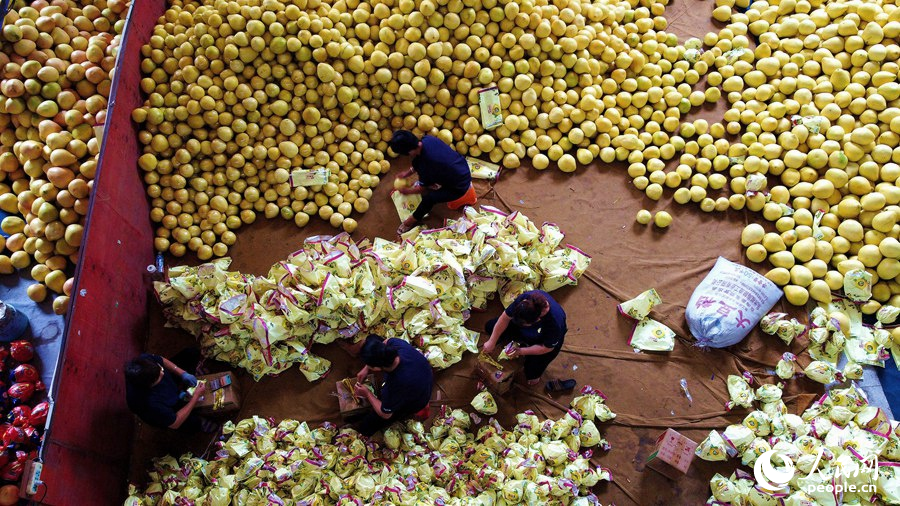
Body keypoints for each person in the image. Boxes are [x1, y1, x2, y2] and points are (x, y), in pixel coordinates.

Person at [389, 130, 473, 234]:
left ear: (408, 152)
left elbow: (421, 188)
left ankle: (410, 221)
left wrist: (407, 191)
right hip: (462, 167)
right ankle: (435, 183)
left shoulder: (426, 165)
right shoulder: (428, 139)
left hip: (459, 186)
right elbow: (418, 162)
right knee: (428, 178)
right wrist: (407, 174)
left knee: (429, 198)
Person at [351, 334, 433, 436]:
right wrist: (366, 368)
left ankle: (363, 433)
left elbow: (386, 414)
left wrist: (367, 393)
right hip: (423, 375)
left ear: (376, 368)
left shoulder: (392, 386)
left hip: (418, 399)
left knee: (369, 423)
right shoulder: (396, 343)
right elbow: (386, 341)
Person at [481, 290, 567, 386]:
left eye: (525, 324)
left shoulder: (555, 322)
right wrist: (492, 341)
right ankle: (520, 336)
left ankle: (533, 371)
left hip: (543, 339)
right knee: (490, 326)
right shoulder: (526, 299)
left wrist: (521, 351)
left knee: (532, 373)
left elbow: (547, 347)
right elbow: (505, 317)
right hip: (525, 326)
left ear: (537, 320)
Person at [124, 349, 209, 431]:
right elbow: (175, 423)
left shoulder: (144, 362)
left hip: (169, 388)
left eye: (160, 368)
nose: (162, 372)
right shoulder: (149, 404)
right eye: (159, 376)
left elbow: (161, 360)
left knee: (191, 352)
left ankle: (190, 378)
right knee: (193, 423)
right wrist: (195, 397)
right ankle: (200, 424)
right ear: (151, 385)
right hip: (166, 409)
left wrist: (183, 373)